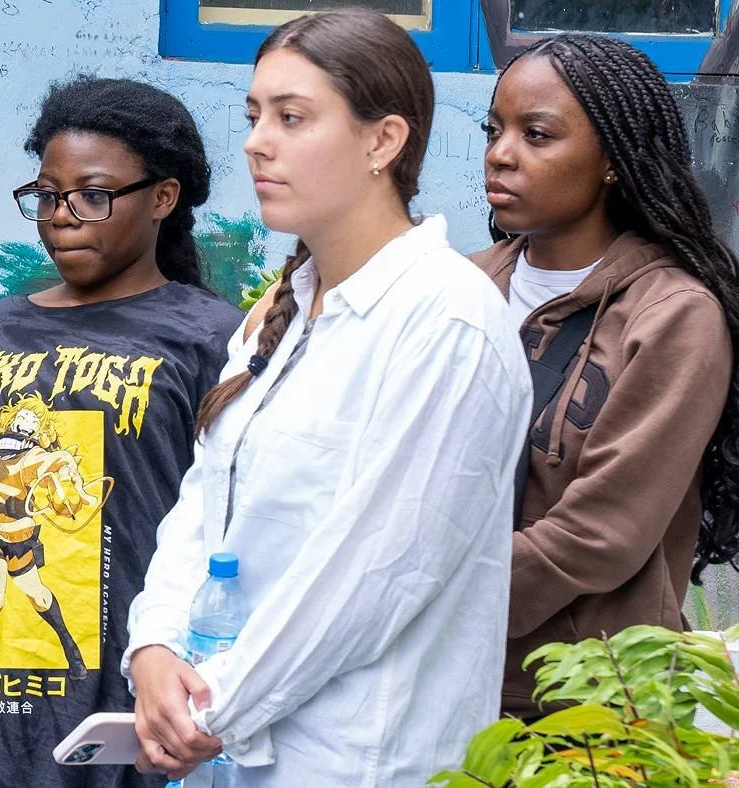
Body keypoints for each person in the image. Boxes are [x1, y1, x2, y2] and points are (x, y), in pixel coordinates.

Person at [123, 9, 530, 785]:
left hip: (355, 759)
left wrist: (215, 708)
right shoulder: (278, 310)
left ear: (383, 140)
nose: (255, 141)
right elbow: (205, 504)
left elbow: (376, 572)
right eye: (253, 115)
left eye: (292, 117)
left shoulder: (447, 319)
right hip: (218, 747)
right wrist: (153, 649)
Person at [0, 77, 241, 788]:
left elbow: (231, 534)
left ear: (162, 199)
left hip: (145, 723)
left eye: (93, 195)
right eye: (47, 196)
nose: (63, 217)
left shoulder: (211, 340)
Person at [474, 34, 739, 718]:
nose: (501, 153)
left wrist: (425, 600)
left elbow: (600, 537)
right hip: (436, 684)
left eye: (537, 134)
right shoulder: (458, 288)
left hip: (591, 707)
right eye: (495, 129)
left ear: (614, 162)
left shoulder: (673, 317)